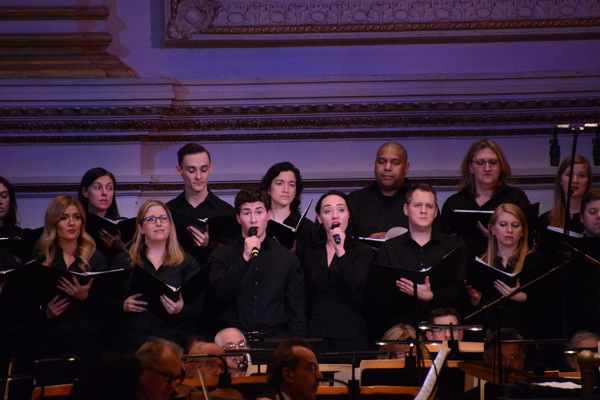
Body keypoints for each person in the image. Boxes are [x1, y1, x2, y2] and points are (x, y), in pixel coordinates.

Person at [208, 187, 306, 340]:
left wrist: (294, 346)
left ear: (268, 215)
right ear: (238, 218)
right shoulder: (221, 255)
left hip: (274, 341)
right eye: (247, 213)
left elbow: (296, 310)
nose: (253, 219)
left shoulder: (286, 258)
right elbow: (219, 295)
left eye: (259, 212)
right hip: (234, 343)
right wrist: (244, 258)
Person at [375, 184, 467, 333]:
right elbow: (383, 295)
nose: (424, 211)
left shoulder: (454, 245)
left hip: (444, 330)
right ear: (406, 209)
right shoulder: (390, 248)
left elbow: (459, 288)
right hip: (403, 330)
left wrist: (432, 295)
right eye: (418, 205)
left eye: (429, 206)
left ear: (436, 212)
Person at [113, 200, 202, 353]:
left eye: (163, 218)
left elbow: (199, 306)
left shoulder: (187, 262)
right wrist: (123, 305)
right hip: (134, 344)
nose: (159, 223)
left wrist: (181, 308)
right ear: (140, 228)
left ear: (170, 224)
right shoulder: (124, 260)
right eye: (151, 219)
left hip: (174, 343)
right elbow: (106, 302)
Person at [32, 195, 109, 361]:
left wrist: (86, 297)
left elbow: (107, 305)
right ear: (53, 222)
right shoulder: (41, 261)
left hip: (89, 344)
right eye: (64, 218)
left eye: (77, 217)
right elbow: (27, 307)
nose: (72, 223)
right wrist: (45, 312)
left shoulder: (96, 259)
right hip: (52, 344)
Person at [300, 191, 371, 354]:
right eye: (327, 211)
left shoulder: (362, 251)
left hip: (350, 335)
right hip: (316, 334)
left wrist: (340, 250)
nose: (334, 216)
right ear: (319, 218)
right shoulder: (310, 251)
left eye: (340, 210)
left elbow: (356, 285)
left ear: (349, 215)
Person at [465, 204, 547, 338]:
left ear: (523, 231)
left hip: (526, 335)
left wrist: (523, 297)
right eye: (503, 225)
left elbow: (549, 304)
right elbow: (471, 314)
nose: (509, 230)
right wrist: (476, 300)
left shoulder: (535, 261)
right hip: (491, 336)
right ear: (492, 229)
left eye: (515, 226)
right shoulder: (481, 263)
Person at [442, 139, 532, 256]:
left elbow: (527, 239)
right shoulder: (455, 203)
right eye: (480, 163)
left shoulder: (516, 198)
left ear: (501, 166)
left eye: (493, 162)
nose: (487, 168)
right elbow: (443, 244)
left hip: (506, 266)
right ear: (471, 167)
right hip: (464, 268)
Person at [167, 143, 235, 263]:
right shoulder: (168, 211)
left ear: (210, 169)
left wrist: (211, 244)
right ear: (179, 170)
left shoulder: (227, 212)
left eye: (204, 170)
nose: (198, 176)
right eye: (191, 170)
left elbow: (234, 259)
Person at [348, 142, 412, 239]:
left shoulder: (420, 203)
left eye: (395, 163)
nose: (387, 167)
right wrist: (366, 244)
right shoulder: (354, 200)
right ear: (375, 165)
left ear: (406, 168)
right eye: (382, 162)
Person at [260, 161, 314, 252]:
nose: (286, 190)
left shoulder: (307, 227)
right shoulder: (258, 223)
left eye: (291, 185)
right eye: (279, 184)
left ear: (296, 191)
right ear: (268, 189)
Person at [78, 167, 127, 262]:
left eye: (109, 188)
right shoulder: (75, 226)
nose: (104, 193)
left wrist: (122, 248)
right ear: (85, 192)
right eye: (98, 187)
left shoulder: (122, 225)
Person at [537, 155, 591, 237]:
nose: (575, 180)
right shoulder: (545, 220)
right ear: (560, 180)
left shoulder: (596, 219)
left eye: (581, 175)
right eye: (569, 175)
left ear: (588, 181)